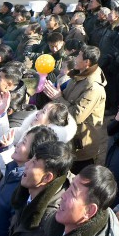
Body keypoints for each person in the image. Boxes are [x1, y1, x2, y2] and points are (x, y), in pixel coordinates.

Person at [0, 139, 74, 236]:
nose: (26, 164)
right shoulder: (25, 194)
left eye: (34, 163)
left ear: (47, 178)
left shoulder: (51, 222)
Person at [38, 164, 119, 236]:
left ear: (89, 211)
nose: (63, 196)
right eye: (70, 187)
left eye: (72, 193)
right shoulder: (57, 227)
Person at [43, 45, 107, 173]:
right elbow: (66, 97)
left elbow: (77, 116)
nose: (75, 58)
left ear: (87, 62)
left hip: (81, 146)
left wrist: (58, 98)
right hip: (69, 137)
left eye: (79, 56)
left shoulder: (93, 87)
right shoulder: (79, 75)